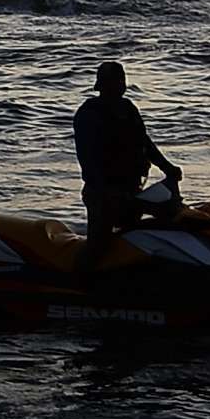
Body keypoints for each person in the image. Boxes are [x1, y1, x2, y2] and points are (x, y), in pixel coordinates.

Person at [72, 62, 180, 267]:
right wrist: (104, 188)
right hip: (102, 194)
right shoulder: (90, 113)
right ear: (102, 85)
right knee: (98, 247)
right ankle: (74, 284)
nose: (119, 85)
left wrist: (168, 168)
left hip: (132, 188)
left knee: (137, 236)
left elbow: (145, 143)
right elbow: (87, 157)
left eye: (122, 80)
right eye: (114, 81)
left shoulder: (128, 108)